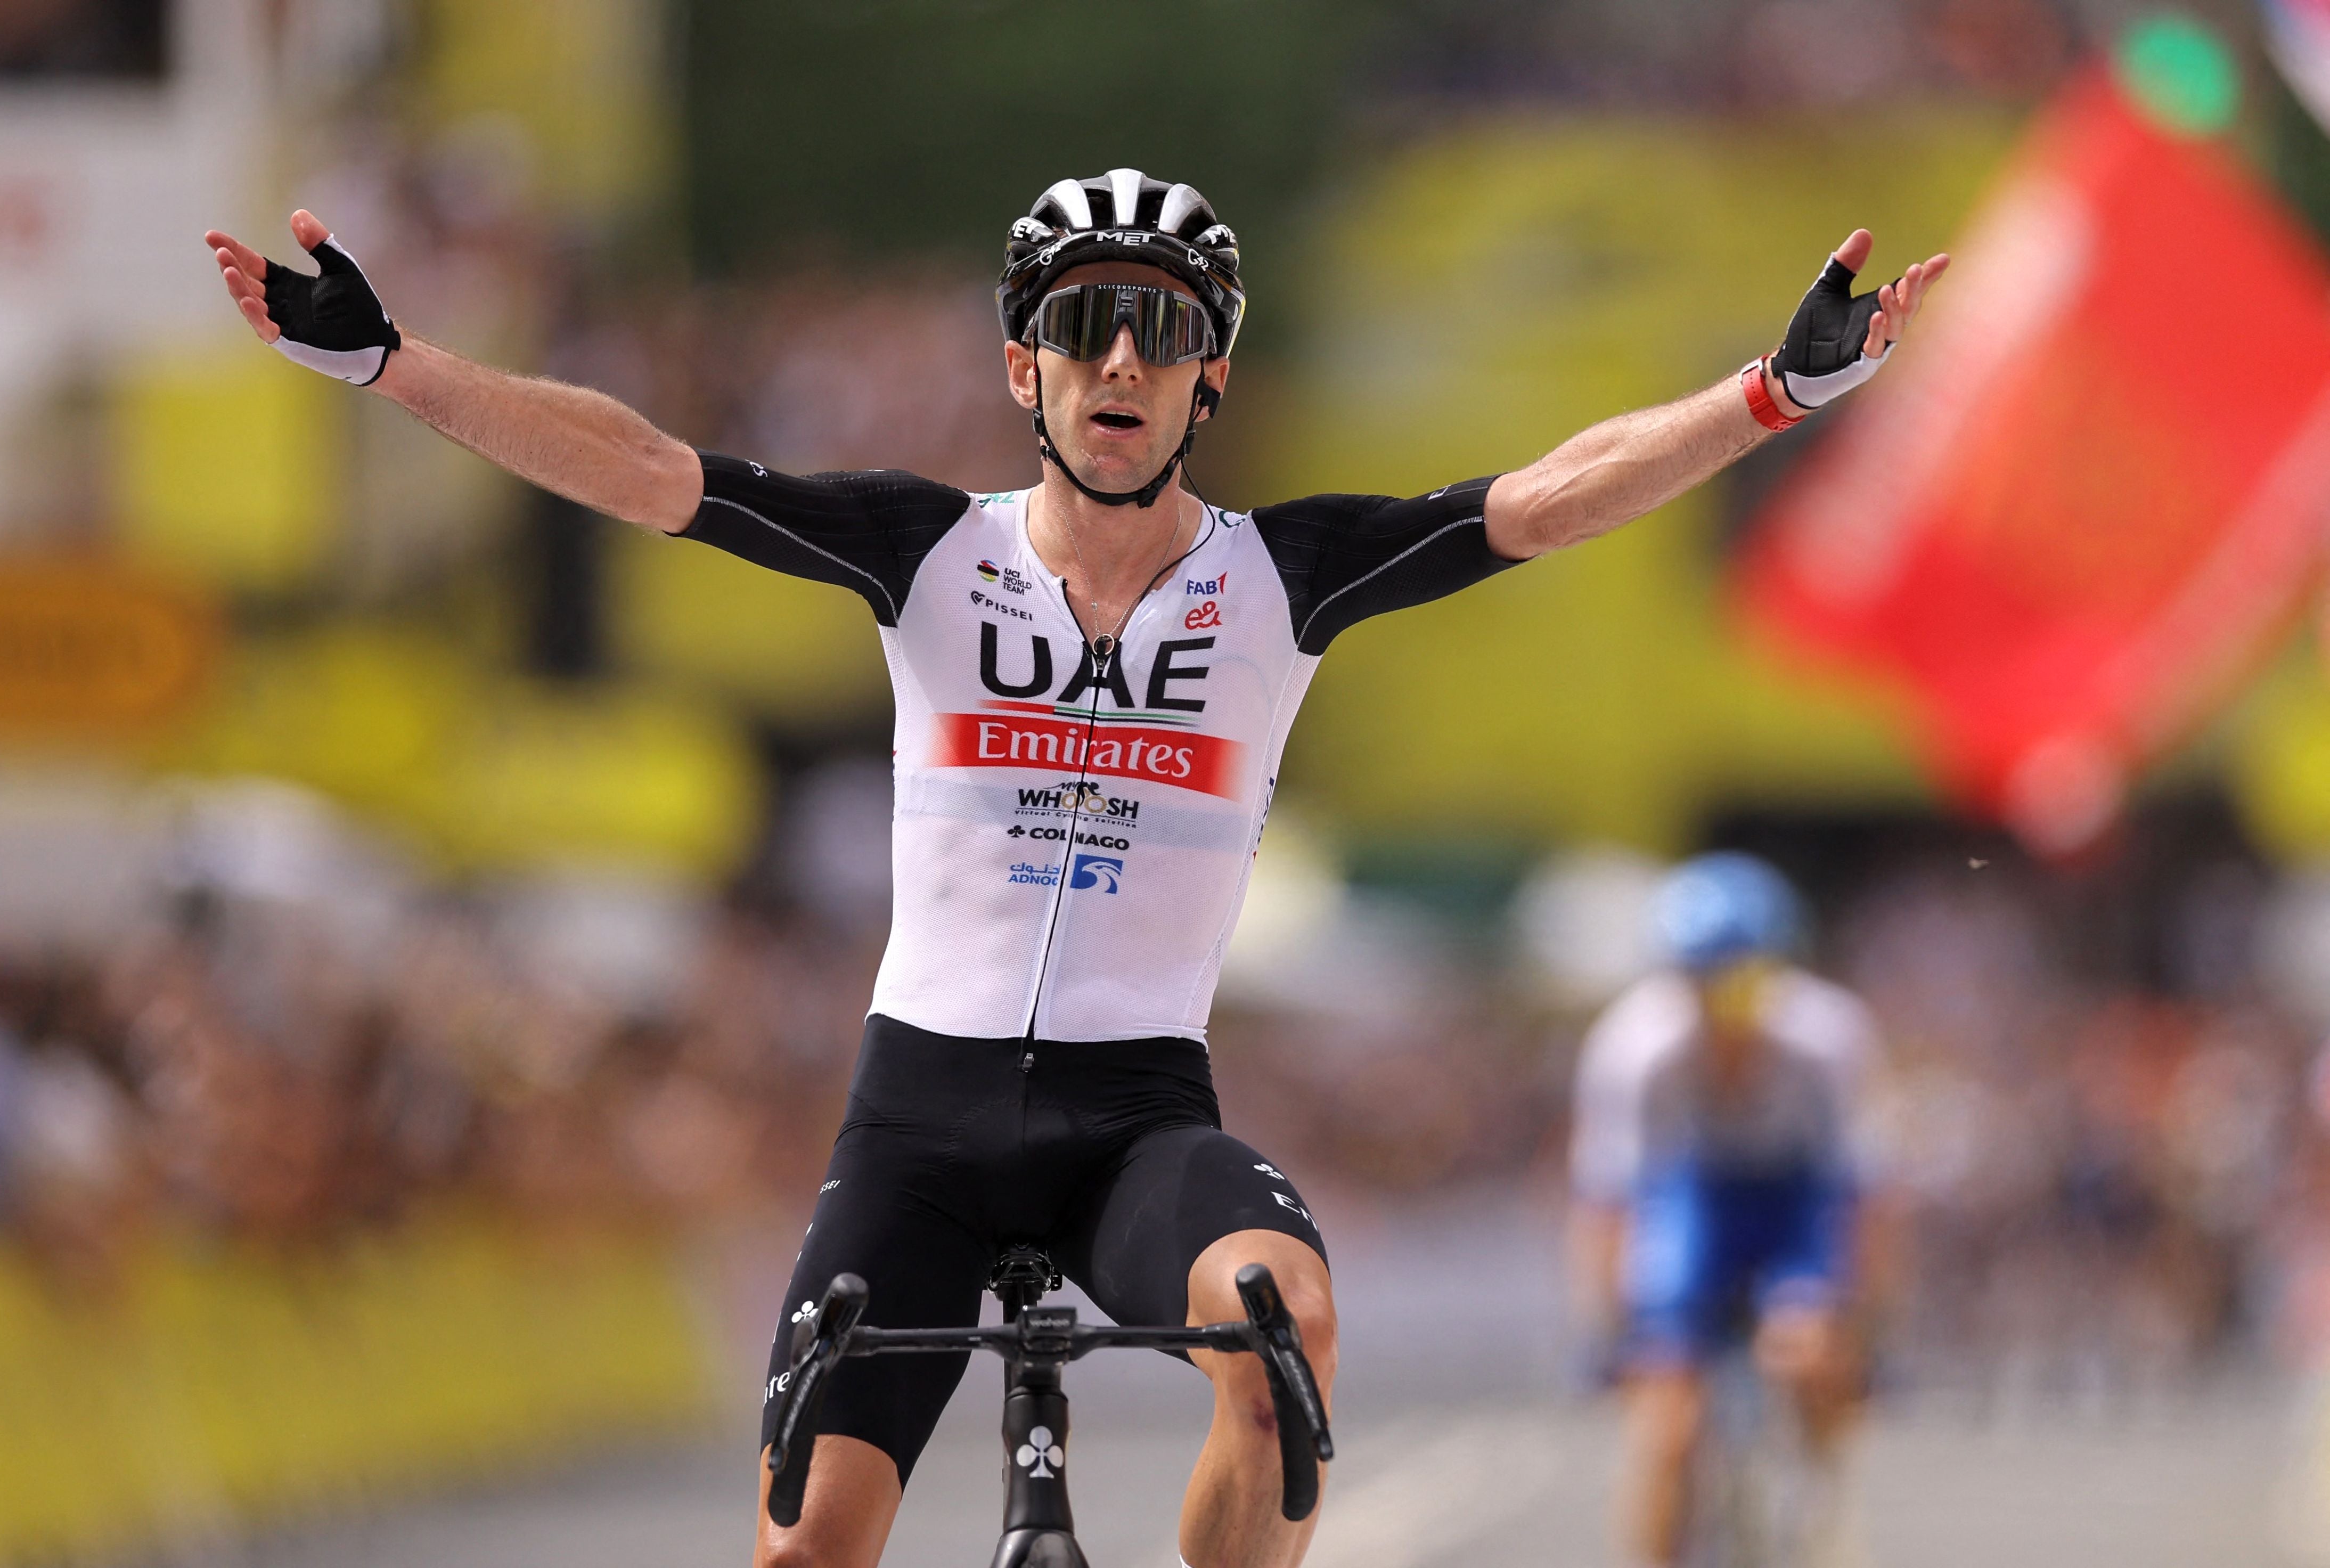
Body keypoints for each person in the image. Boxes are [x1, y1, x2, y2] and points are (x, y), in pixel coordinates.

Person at [205, 172, 1945, 1568]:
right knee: (809, 1543)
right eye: (1081, 330)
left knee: (1283, 1332)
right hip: (919, 1125)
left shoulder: (1288, 574)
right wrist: (392, 365)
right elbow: (645, 470)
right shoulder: (924, 549)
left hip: (1136, 1124)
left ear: (1210, 375)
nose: (1120, 364)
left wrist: (1770, 394)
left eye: (1161, 335)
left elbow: (1553, 496)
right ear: (1021, 369)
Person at [1567, 853, 1896, 1568]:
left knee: (1808, 1351)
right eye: (1701, 985)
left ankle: (1824, 1505)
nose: (1724, 1009)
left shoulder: (1830, 1039)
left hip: (1794, 1196)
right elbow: (1607, 1207)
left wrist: (1866, 1327)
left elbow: (1863, 1201)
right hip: (1692, 1199)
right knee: (1666, 1426)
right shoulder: (1633, 1050)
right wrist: (1611, 1332)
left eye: (1743, 984)